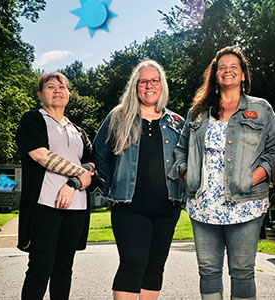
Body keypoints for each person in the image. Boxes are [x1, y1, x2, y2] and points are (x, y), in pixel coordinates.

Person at [171, 46, 275, 300]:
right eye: (222, 67)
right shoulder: (198, 111)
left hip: (246, 203)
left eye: (234, 66)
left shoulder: (261, 109)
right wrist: (187, 172)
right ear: (215, 75)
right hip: (203, 205)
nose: (227, 71)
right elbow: (180, 149)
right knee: (208, 270)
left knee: (242, 270)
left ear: (243, 74)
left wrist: (256, 176)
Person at [93, 60, 185, 300]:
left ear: (162, 86)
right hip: (129, 207)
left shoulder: (176, 122)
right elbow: (99, 153)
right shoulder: (119, 116)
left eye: (155, 80)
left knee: (155, 266)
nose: (149, 86)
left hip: (167, 207)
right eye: (143, 81)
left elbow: (185, 158)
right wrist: (112, 184)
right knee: (133, 262)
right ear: (135, 86)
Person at [15, 72, 95, 300]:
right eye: (50, 87)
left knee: (64, 268)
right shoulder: (33, 119)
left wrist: (73, 182)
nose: (57, 90)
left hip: (76, 209)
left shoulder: (78, 130)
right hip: (45, 206)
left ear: (68, 94)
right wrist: (80, 172)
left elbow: (91, 164)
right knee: (41, 266)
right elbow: (41, 155)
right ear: (40, 95)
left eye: (62, 86)